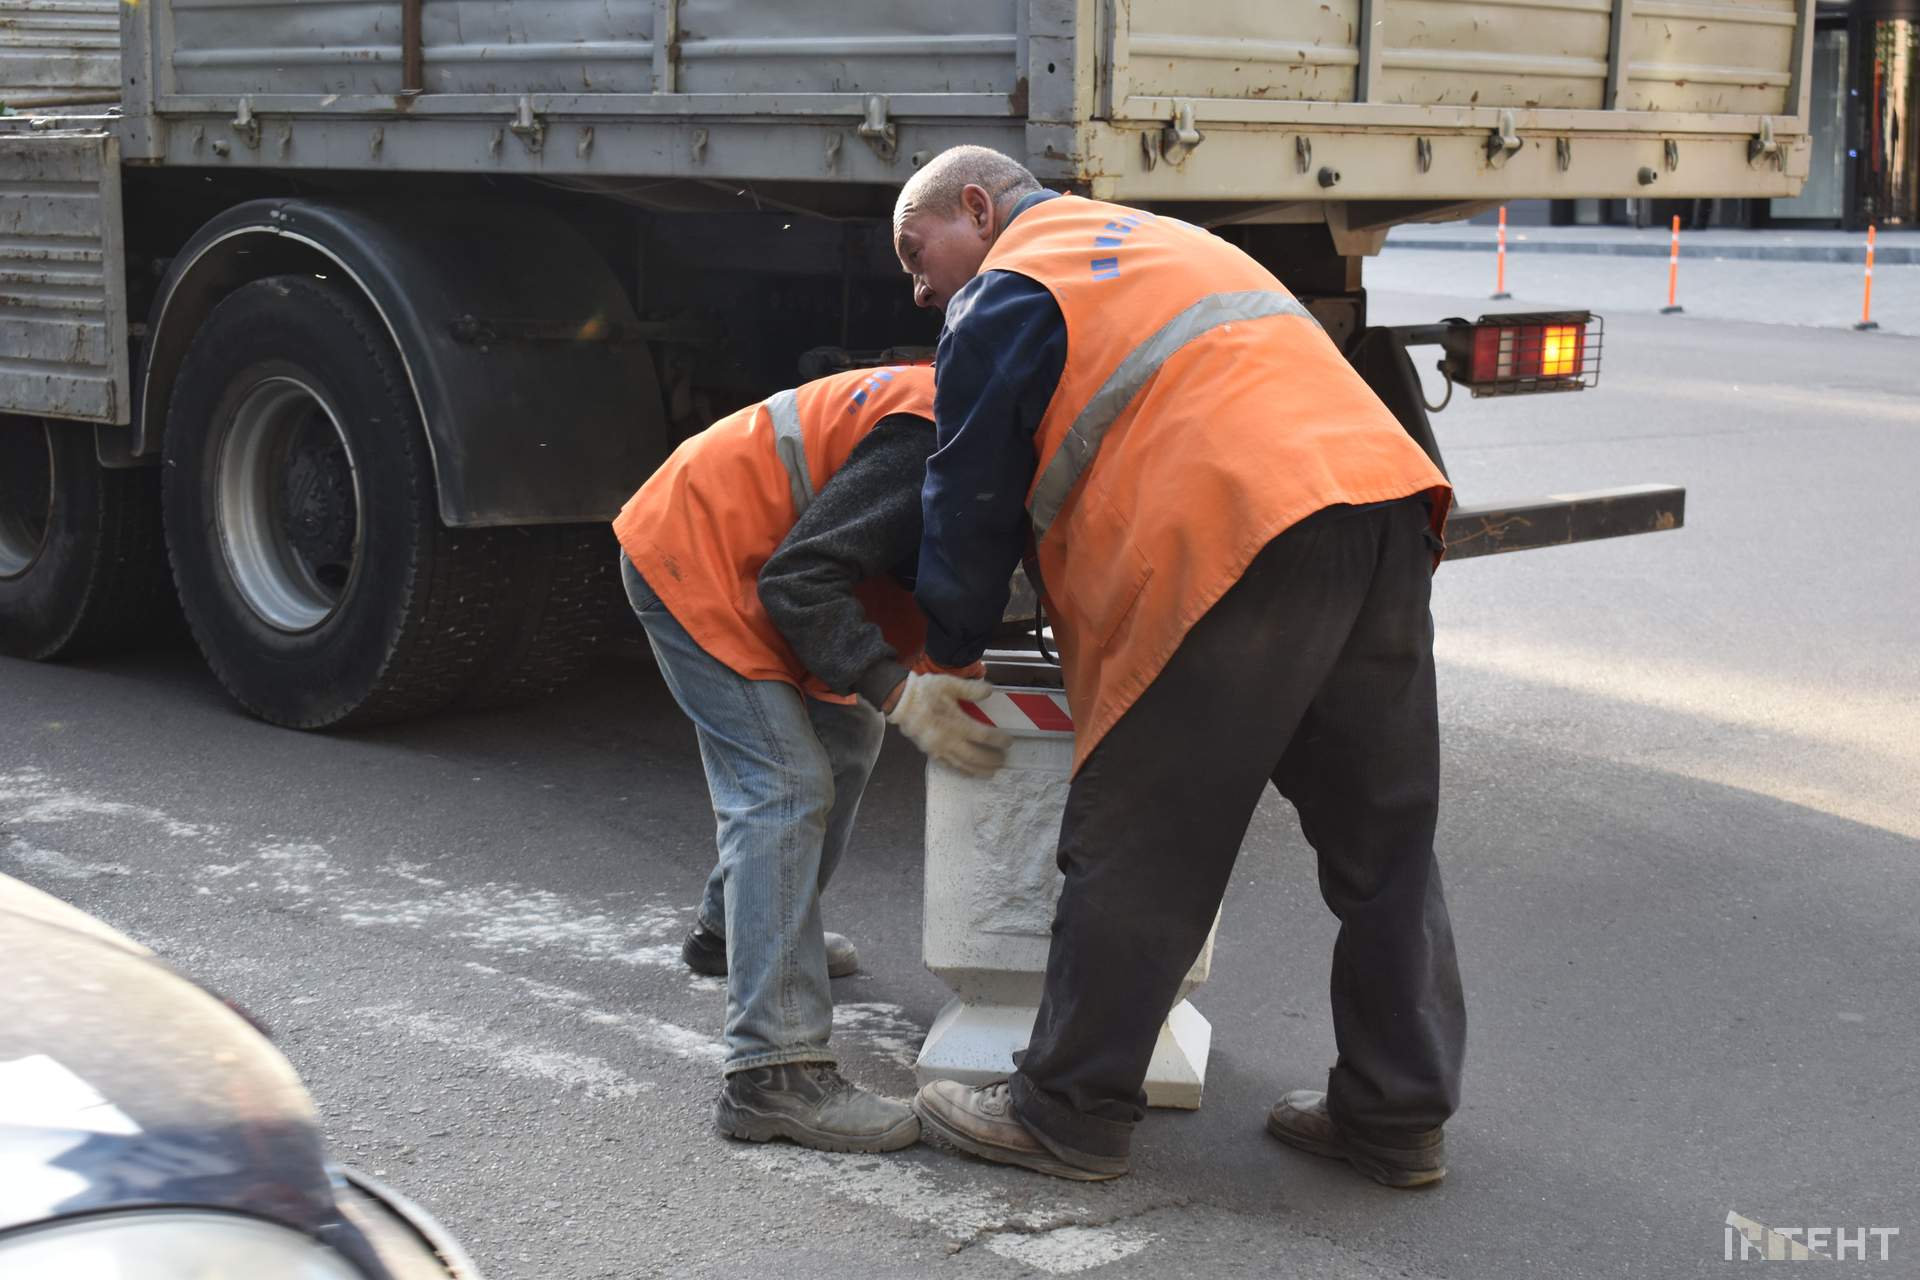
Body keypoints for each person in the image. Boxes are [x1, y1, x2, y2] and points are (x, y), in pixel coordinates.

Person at [892, 146, 1465, 1187]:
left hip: (1241, 532)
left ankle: (1066, 1110)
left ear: (978, 207)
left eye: (916, 250)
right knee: (1386, 842)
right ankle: (1396, 1116)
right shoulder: (1163, 240)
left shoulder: (1014, 284)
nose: (919, 285)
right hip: (1381, 503)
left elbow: (967, 492)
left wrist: (952, 649)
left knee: (1141, 837)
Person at [612, 363, 1010, 1153]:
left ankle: (735, 934)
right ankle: (773, 1075)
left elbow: (937, 572)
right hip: (703, 550)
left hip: (764, 558)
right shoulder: (936, 440)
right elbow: (801, 578)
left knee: (846, 740)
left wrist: (937, 680)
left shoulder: (1001, 439)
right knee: (784, 784)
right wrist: (900, 692)